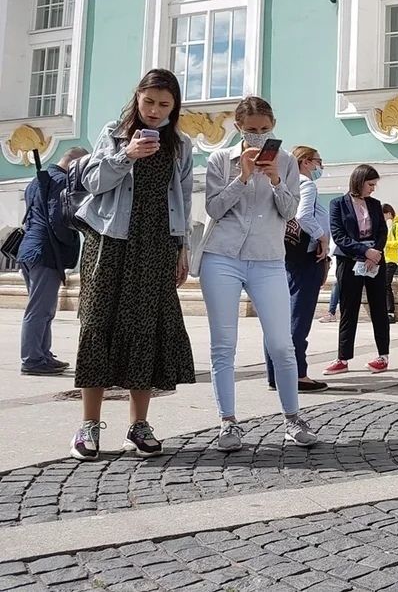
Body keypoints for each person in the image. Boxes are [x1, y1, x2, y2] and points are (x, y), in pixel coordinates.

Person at [71, 69, 196, 461]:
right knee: (96, 326)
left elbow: (185, 198)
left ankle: (138, 426)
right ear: (137, 98)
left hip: (157, 245)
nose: (155, 110)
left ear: (174, 106)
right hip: (109, 243)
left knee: (145, 329)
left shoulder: (181, 145)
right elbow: (91, 181)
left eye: (164, 104)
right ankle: (89, 425)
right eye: (149, 102)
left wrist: (183, 248)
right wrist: (126, 155)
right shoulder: (115, 133)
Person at [197, 96, 317, 452]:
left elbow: (291, 211)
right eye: (251, 131)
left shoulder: (287, 162)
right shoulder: (221, 159)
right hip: (223, 255)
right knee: (224, 344)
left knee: (282, 343)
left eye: (265, 130)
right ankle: (228, 423)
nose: (258, 138)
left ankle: (292, 420)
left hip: (267, 258)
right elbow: (214, 207)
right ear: (238, 128)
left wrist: (278, 180)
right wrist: (242, 177)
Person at [17, 146, 88, 376]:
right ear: (75, 164)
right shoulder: (60, 183)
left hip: (30, 250)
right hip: (45, 252)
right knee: (39, 309)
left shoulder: (37, 181)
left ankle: (42, 354)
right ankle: (33, 359)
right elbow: (59, 221)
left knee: (44, 308)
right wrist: (74, 238)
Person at [265, 146, 330, 393]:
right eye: (317, 161)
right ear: (304, 162)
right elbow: (304, 217)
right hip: (304, 256)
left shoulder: (281, 182)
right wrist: (322, 237)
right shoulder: (306, 184)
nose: (319, 167)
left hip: (281, 252)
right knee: (299, 315)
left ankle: (275, 374)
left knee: (276, 316)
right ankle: (296, 373)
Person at [325, 165, 390, 374]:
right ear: (359, 182)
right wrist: (364, 251)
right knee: (348, 308)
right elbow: (339, 235)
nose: (373, 189)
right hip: (350, 260)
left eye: (375, 185)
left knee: (378, 307)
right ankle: (342, 358)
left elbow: (382, 231)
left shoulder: (375, 204)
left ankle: (383, 356)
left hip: (375, 260)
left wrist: (375, 252)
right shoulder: (337, 204)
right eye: (370, 184)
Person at [381, 203, 398, 324]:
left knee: (386, 285)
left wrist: (386, 243)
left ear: (389, 213)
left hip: (392, 259)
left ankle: (390, 312)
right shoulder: (388, 225)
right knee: (383, 285)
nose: (383, 217)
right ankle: (385, 311)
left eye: (384, 215)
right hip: (384, 259)